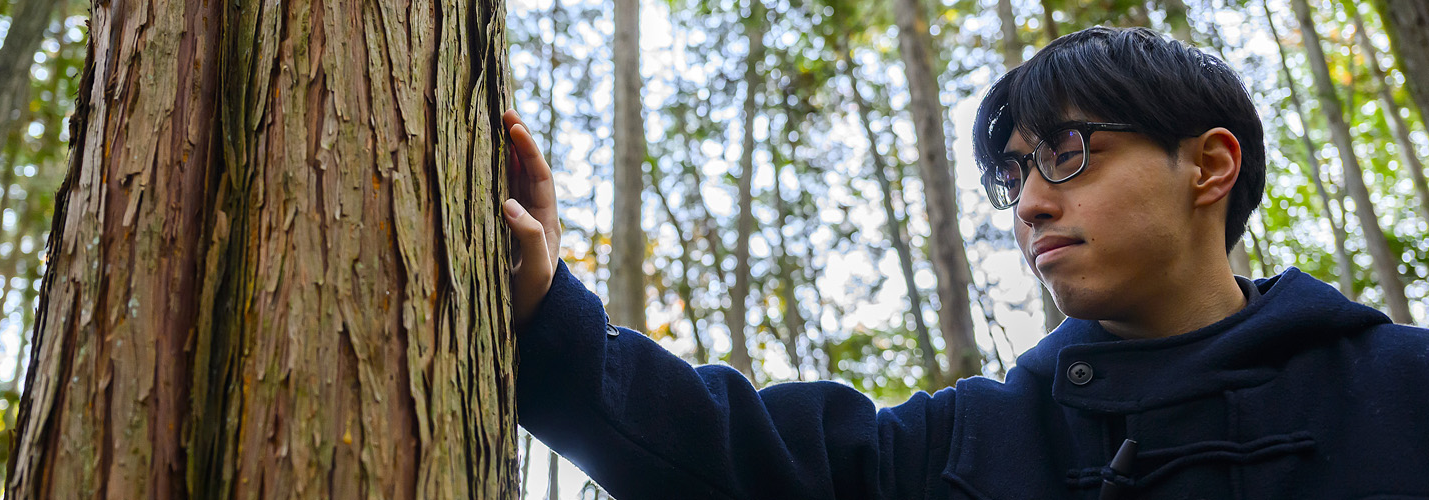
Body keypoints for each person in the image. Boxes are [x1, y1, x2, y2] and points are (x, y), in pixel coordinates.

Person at [496, 26, 1429, 499]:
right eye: (1016, 172)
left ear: (1210, 166)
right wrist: (546, 311)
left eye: (1069, 151)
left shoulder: (1405, 388)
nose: (1030, 201)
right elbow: (730, 453)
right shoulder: (966, 448)